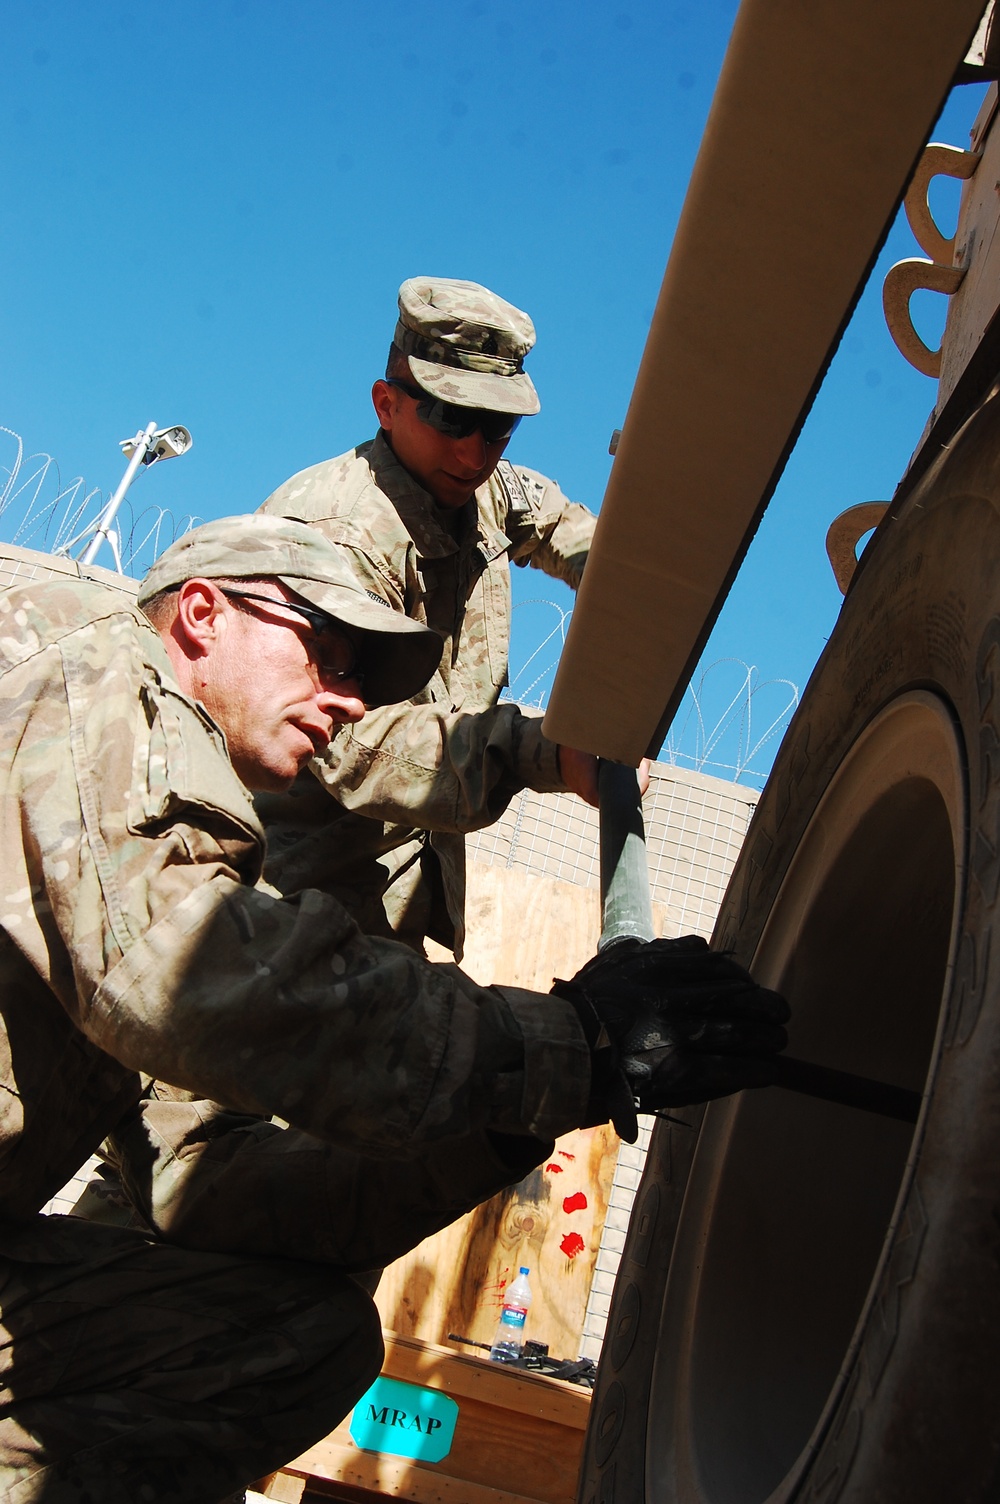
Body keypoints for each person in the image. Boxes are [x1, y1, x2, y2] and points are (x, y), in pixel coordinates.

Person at [0, 513, 788, 1502]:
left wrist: (520, 1108)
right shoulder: (89, 660)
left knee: (297, 1334)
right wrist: (557, 1044)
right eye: (326, 653)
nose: (347, 701)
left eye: (364, 681)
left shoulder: (153, 866)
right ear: (202, 614)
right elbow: (174, 968)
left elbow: (203, 1180)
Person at [258, 276, 611, 956]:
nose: (475, 453)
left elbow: (578, 537)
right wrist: (552, 751)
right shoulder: (338, 532)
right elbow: (345, 739)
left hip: (401, 902)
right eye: (451, 417)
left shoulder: (485, 488)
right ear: (386, 405)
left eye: (497, 426)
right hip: (292, 909)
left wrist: (633, 598)